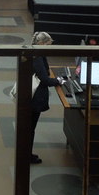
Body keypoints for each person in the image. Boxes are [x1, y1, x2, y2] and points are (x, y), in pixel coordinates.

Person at [28, 31, 63, 165]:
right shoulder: (38, 58)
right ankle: (27, 155)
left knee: (30, 127)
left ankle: (27, 153)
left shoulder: (35, 54)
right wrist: (58, 81)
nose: (49, 47)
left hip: (31, 96)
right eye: (48, 44)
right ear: (41, 43)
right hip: (34, 99)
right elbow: (44, 79)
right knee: (30, 128)